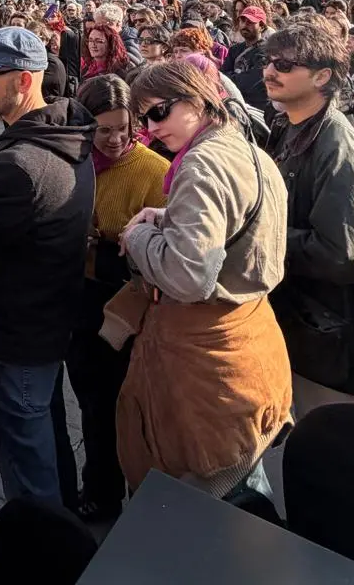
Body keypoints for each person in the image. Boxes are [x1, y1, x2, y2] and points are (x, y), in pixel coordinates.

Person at [115, 60, 292, 499]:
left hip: (208, 355)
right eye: (144, 118)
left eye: (159, 112)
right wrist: (167, 217)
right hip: (251, 336)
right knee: (244, 477)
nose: (151, 129)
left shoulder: (201, 164)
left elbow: (188, 276)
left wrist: (137, 236)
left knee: (206, 493)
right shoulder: (241, 144)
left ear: (197, 99)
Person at [0, 27, 96, 505]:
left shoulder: (22, 163)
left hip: (17, 332)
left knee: (28, 468)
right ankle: (62, 531)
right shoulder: (66, 130)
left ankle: (42, 553)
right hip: (44, 322)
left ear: (24, 81)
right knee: (45, 443)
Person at [261, 20, 354, 411]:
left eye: (285, 65)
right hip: (308, 330)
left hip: (338, 342)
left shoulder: (337, 148)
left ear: (322, 76)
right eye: (269, 61)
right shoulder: (291, 126)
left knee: (341, 458)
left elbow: (345, 255)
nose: (270, 71)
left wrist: (261, 235)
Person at [63, 74, 169, 519]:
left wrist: (103, 245)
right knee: (92, 404)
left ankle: (142, 497)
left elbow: (162, 253)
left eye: (122, 127)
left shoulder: (153, 170)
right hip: (80, 307)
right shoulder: (71, 163)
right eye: (102, 129)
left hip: (130, 309)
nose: (113, 138)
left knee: (132, 409)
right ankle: (101, 490)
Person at [223, 4, 271, 109]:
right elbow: (221, 77)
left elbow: (251, 82)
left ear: (261, 26)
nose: (245, 25)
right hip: (234, 104)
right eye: (242, 21)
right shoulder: (235, 49)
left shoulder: (267, 51)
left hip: (258, 107)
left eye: (250, 22)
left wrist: (230, 77)